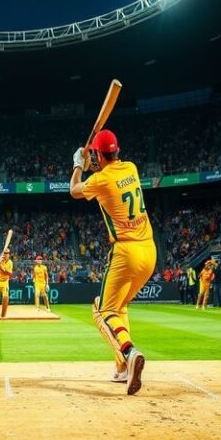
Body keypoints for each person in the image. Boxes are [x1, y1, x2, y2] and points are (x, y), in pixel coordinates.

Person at [70, 129, 156, 395]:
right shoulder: (131, 167)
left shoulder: (102, 179)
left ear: (97, 155)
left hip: (126, 252)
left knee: (102, 310)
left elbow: (74, 191)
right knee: (119, 307)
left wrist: (77, 165)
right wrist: (92, 157)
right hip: (150, 251)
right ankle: (122, 367)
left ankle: (129, 352)